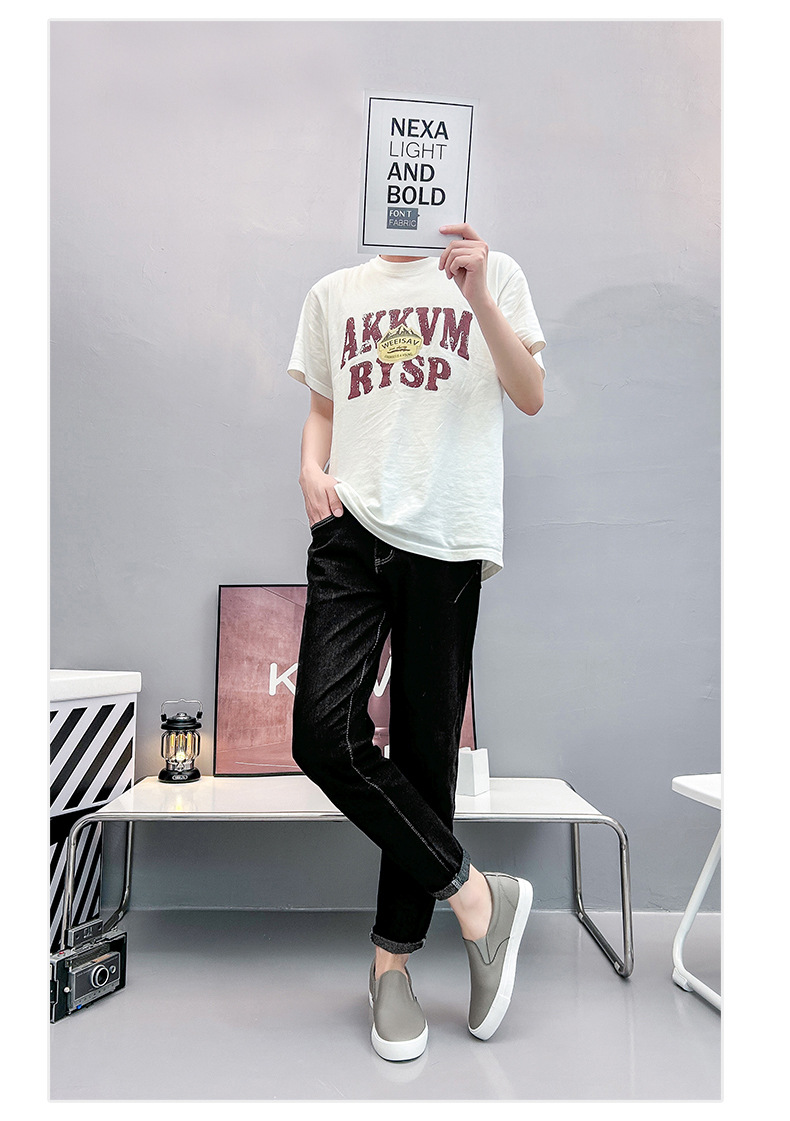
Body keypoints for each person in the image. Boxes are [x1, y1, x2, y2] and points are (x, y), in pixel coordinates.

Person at [287, 223, 546, 1061]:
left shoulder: (493, 274)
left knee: (426, 756)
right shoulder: (335, 293)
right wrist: (309, 469)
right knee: (323, 734)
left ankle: (390, 966)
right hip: (351, 526)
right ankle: (478, 898)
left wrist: (477, 297)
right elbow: (323, 409)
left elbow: (531, 393)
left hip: (448, 532)